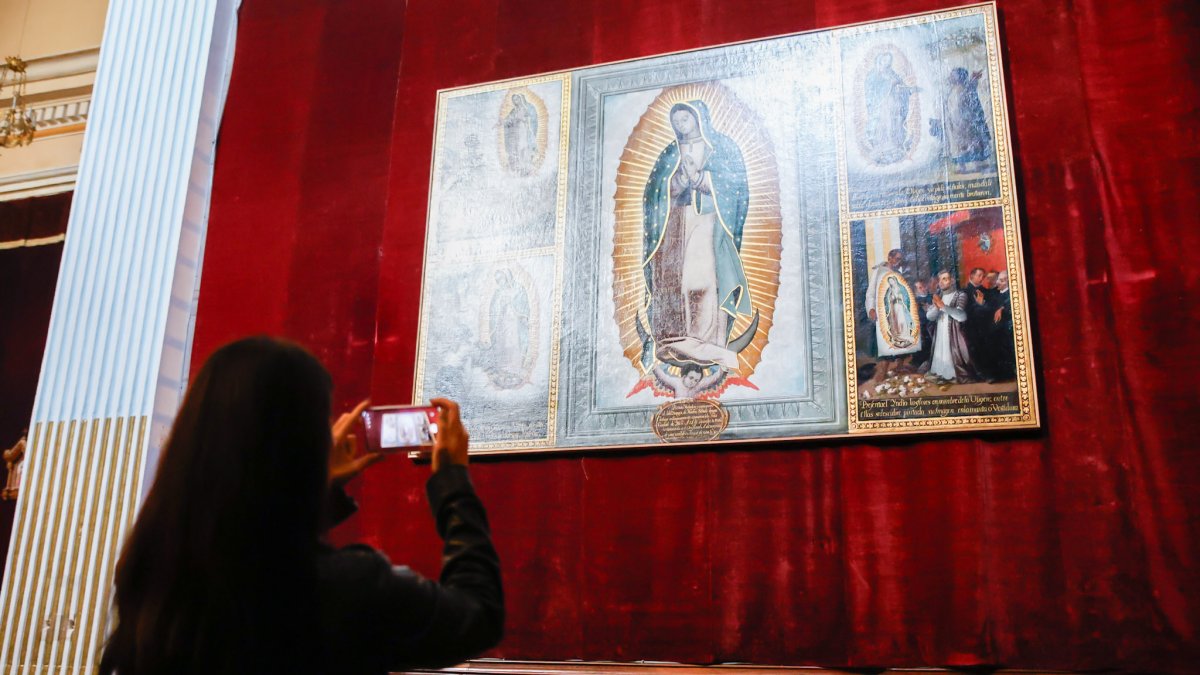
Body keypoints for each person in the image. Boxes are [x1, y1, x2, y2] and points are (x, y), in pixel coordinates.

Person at [99, 337, 502, 675]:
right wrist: (452, 479)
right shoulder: (349, 586)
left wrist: (319, 495)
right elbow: (478, 615)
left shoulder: (152, 572)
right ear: (299, 450)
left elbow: (256, 551)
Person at [641, 100, 752, 373]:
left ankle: (708, 341)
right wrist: (677, 181)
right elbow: (653, 193)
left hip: (708, 221)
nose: (681, 125)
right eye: (676, 121)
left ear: (699, 118)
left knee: (702, 282)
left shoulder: (722, 148)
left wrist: (703, 179)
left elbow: (736, 186)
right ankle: (675, 339)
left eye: (685, 119)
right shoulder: (669, 153)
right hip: (675, 226)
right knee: (675, 285)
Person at [864, 249, 920, 383]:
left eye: (901, 260)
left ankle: (899, 368)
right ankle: (882, 371)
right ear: (890, 258)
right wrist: (871, 308)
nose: (899, 262)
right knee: (885, 342)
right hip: (884, 312)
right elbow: (871, 292)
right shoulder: (879, 272)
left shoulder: (899, 274)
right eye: (897, 259)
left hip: (898, 312)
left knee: (902, 338)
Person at [923, 270, 977, 383]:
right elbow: (929, 316)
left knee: (951, 354)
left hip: (954, 333)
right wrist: (937, 307)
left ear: (952, 280)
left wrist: (943, 306)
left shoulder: (961, 295)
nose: (941, 282)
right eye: (940, 279)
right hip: (940, 330)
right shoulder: (939, 296)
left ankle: (953, 375)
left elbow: (962, 316)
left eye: (945, 279)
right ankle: (940, 373)